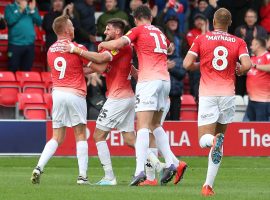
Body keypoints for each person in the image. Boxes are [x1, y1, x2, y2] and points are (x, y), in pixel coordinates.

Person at [98, 5, 187, 186]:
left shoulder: (137, 30)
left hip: (149, 81)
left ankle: (140, 171)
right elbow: (169, 49)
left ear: (137, 18)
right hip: (165, 81)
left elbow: (118, 44)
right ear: (150, 18)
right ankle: (171, 163)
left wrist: (102, 44)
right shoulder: (161, 33)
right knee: (155, 125)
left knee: (143, 127)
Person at [183, 8, 251, 196]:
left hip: (208, 94)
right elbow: (247, 65)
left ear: (213, 21)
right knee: (219, 145)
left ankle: (212, 140)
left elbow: (187, 64)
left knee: (204, 141)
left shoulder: (201, 38)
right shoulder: (239, 41)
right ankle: (207, 186)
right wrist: (239, 70)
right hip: (228, 94)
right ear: (229, 23)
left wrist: (202, 65)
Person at [31, 15, 90, 185]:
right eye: (71, 25)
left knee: (56, 136)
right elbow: (89, 63)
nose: (73, 28)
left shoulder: (50, 50)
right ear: (66, 30)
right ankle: (82, 176)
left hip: (57, 93)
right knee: (80, 134)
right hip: (75, 93)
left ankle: (39, 167)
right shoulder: (76, 47)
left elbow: (66, 70)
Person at [5, 0, 42, 72]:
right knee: (12, 71)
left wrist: (32, 11)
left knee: (26, 72)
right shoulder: (9, 7)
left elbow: (39, 22)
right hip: (14, 45)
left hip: (29, 45)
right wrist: (21, 10)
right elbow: (10, 21)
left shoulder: (31, 7)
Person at [245, 37, 270, 121]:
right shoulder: (252, 58)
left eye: (252, 44)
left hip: (263, 101)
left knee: (261, 128)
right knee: (251, 126)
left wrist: (255, 66)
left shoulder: (267, 56)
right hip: (251, 99)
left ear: (257, 45)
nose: (251, 47)